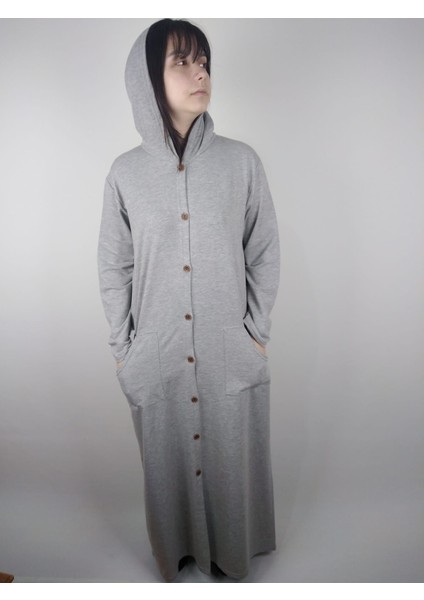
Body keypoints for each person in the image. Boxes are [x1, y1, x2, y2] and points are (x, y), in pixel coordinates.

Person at [97, 18, 281, 582]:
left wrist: (256, 332)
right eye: (182, 61)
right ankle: (177, 552)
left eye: (203, 61)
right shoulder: (125, 174)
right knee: (166, 459)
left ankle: (231, 554)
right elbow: (114, 266)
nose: (200, 72)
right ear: (147, 78)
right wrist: (124, 349)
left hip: (230, 347)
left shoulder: (241, 162)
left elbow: (264, 251)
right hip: (157, 350)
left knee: (230, 457)